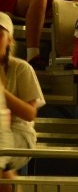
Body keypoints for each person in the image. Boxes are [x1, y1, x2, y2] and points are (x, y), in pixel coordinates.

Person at [0, 11, 44, 183]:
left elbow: (29, 114)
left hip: (19, 133)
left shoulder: (21, 68)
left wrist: (2, 92)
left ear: (9, 39)